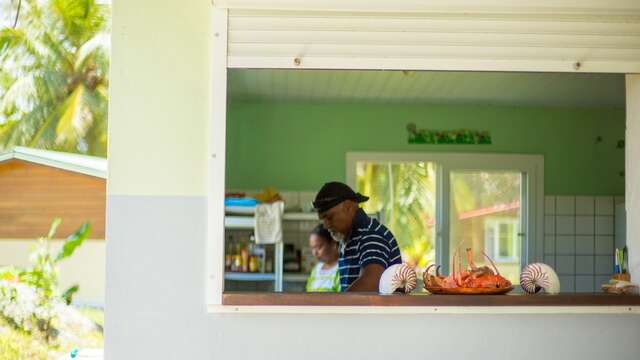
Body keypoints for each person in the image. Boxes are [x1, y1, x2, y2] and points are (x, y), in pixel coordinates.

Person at [313, 181, 401, 292]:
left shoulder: (370, 235)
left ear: (348, 206)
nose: (326, 225)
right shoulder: (347, 238)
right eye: (323, 220)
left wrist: (336, 304)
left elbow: (372, 283)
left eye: (329, 217)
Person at [305, 224, 341, 292]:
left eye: (318, 247)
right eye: (312, 248)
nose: (314, 253)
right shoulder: (316, 270)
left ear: (333, 244)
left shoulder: (342, 269)